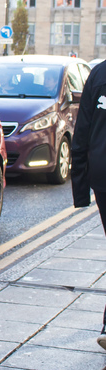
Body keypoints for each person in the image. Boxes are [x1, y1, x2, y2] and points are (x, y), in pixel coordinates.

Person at [71, 60, 106, 350]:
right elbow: (82, 132)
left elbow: (82, 132)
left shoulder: (99, 73)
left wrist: (81, 190)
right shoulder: (98, 74)